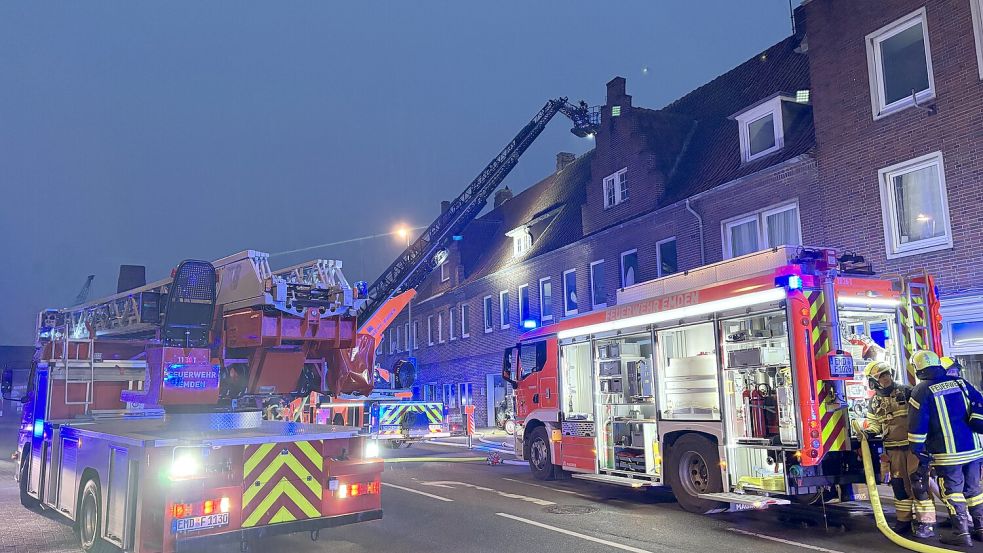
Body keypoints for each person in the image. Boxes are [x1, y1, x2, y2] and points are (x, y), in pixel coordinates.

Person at [908, 350, 983, 546]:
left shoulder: (921, 390)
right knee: (974, 490)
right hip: (974, 449)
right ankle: (981, 528)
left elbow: (918, 424)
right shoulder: (961, 382)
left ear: (918, 369)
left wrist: (917, 449)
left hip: (948, 453)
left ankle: (961, 534)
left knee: (953, 491)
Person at [865, 360, 935, 537]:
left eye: (887, 374)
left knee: (918, 484)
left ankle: (926, 523)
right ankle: (903, 520)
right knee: (899, 486)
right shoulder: (874, 402)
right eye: (881, 376)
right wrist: (867, 432)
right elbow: (874, 423)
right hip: (893, 450)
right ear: (873, 381)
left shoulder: (907, 391)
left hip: (914, 448)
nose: (885, 378)